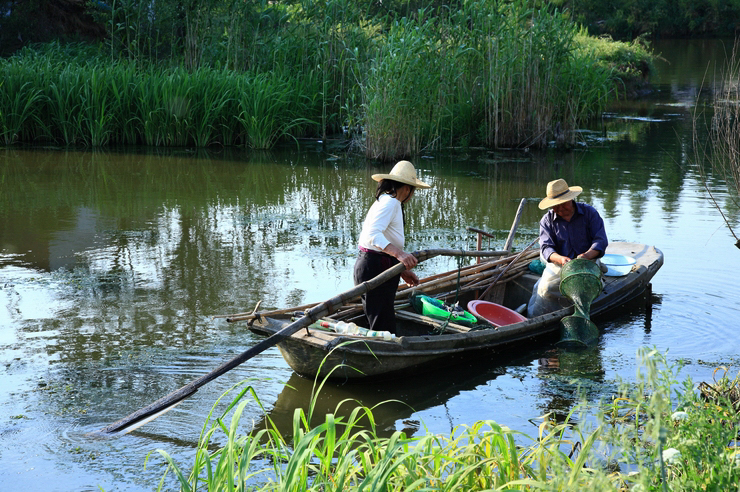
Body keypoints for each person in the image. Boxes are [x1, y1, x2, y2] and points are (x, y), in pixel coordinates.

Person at [354, 160, 431, 333]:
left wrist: (400, 270)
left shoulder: (388, 201)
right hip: (375, 267)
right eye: (413, 190)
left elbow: (382, 241)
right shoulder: (390, 202)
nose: (412, 194)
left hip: (377, 265)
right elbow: (372, 235)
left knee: (382, 320)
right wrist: (401, 255)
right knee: (383, 328)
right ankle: (380, 357)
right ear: (407, 189)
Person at [527, 178, 608, 317]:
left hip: (587, 263)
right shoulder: (547, 221)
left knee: (587, 288)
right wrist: (561, 259)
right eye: (555, 206)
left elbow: (600, 241)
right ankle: (544, 319)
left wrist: (586, 256)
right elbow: (546, 248)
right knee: (545, 289)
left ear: (571, 199)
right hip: (560, 266)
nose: (559, 209)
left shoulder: (589, 213)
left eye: (563, 204)